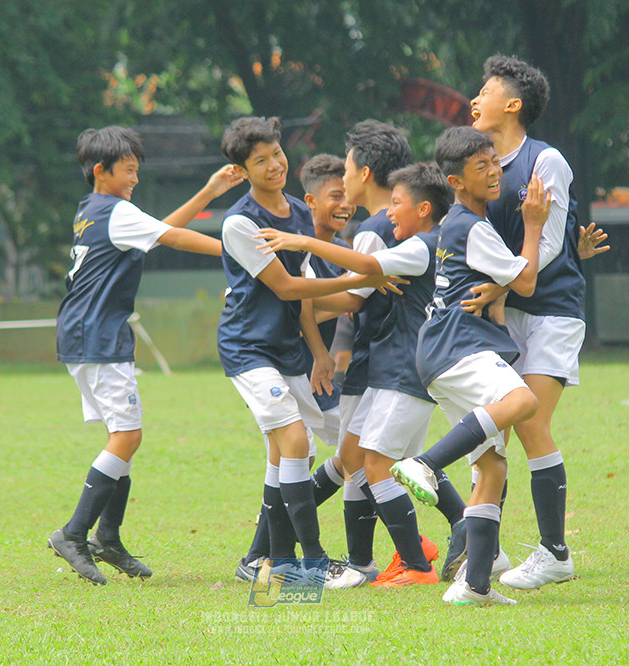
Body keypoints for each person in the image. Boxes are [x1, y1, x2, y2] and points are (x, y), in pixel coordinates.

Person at [48, 125, 244, 585]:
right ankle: (74, 534)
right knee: (127, 437)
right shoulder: (116, 211)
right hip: (98, 336)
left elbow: (158, 231)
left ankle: (107, 538)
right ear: (102, 170)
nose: (135, 178)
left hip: (83, 334)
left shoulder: (92, 210)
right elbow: (172, 237)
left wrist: (209, 192)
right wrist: (238, 253)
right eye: (129, 170)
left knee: (123, 437)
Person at [217, 117, 402, 584]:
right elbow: (286, 287)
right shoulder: (240, 222)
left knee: (284, 454)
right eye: (260, 160)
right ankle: (314, 563)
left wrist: (320, 350)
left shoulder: (299, 212)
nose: (274, 165)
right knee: (296, 442)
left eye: (277, 153)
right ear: (242, 170)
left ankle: (267, 561)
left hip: (287, 349)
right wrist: (364, 277)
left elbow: (304, 294)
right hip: (247, 348)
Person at [257, 162, 455, 588]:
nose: (390, 213)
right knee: (365, 460)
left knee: (377, 464)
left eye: (397, 204)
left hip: (401, 369)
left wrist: (302, 252)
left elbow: (360, 276)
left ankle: (418, 561)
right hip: (393, 368)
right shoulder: (434, 241)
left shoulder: (417, 243)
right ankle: (372, 560)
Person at [390, 126, 549, 606]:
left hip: (439, 350)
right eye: (482, 167)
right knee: (522, 400)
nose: (495, 171)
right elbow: (526, 281)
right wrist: (535, 223)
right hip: (458, 345)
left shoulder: (459, 223)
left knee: (492, 467)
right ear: (457, 182)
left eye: (495, 161)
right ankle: (425, 463)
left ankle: (475, 586)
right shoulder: (472, 226)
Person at [458, 55, 587, 589]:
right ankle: (484, 551)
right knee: (490, 437)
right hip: (503, 313)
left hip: (552, 312)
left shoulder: (545, 160)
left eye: (485, 91)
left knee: (530, 421)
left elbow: (550, 243)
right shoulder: (480, 166)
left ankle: (555, 553)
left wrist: (502, 284)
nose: (475, 99)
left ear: (512, 105)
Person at [234, 153, 355, 581]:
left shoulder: (335, 246)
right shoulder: (263, 233)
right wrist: (361, 288)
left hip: (303, 362)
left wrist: (327, 344)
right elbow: (295, 295)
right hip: (268, 357)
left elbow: (312, 301)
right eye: (335, 196)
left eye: (348, 196)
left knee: (299, 450)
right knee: (307, 445)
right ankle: (308, 562)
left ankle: (262, 558)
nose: (345, 205)